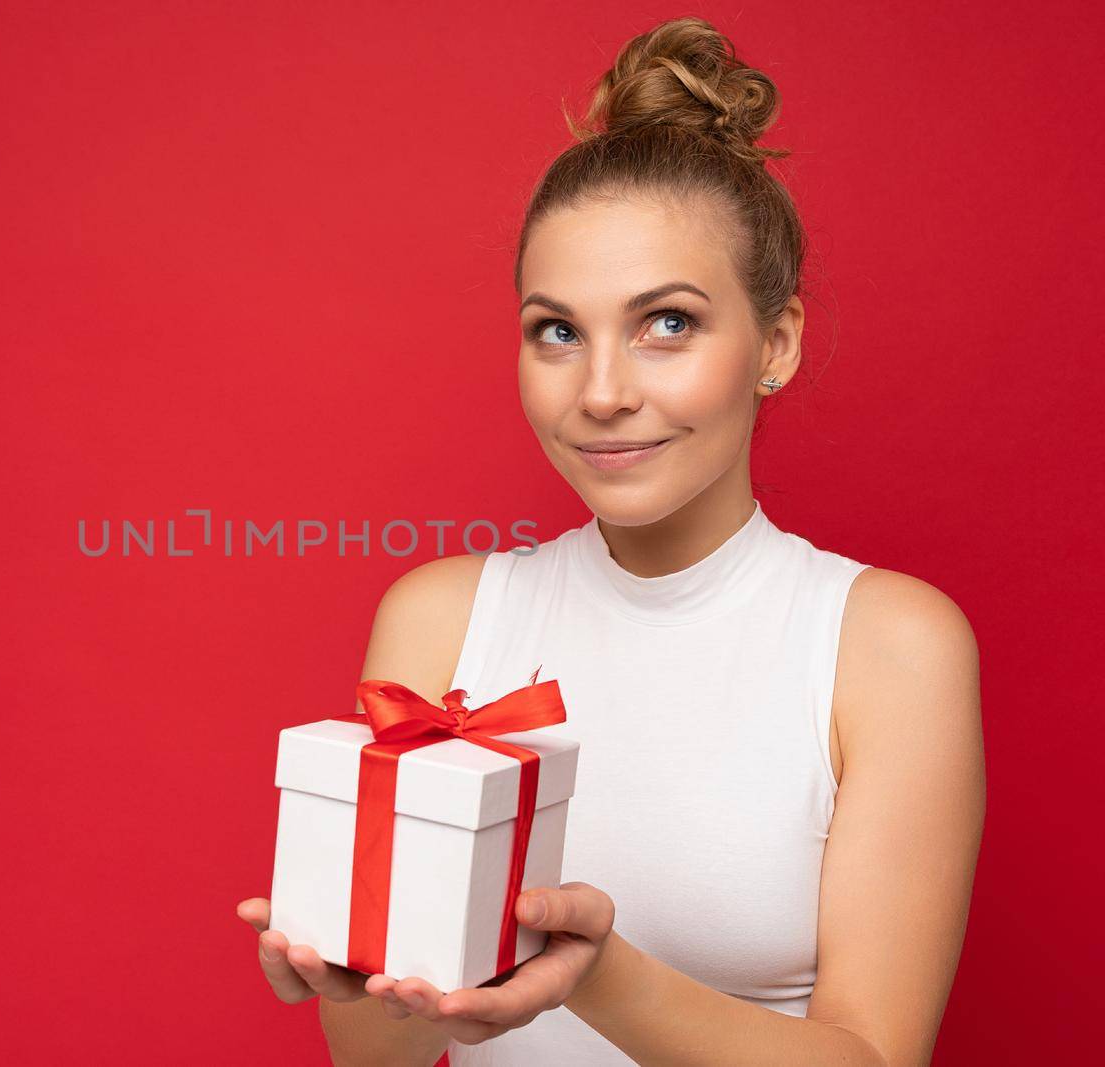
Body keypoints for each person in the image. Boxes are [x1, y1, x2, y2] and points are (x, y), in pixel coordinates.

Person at [235, 15, 984, 1066]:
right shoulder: (441, 615)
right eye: (557, 330)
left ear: (775, 342)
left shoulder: (887, 642)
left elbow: (874, 1057)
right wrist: (360, 969)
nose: (600, 392)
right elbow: (370, 1057)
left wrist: (598, 971)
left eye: (665, 322)